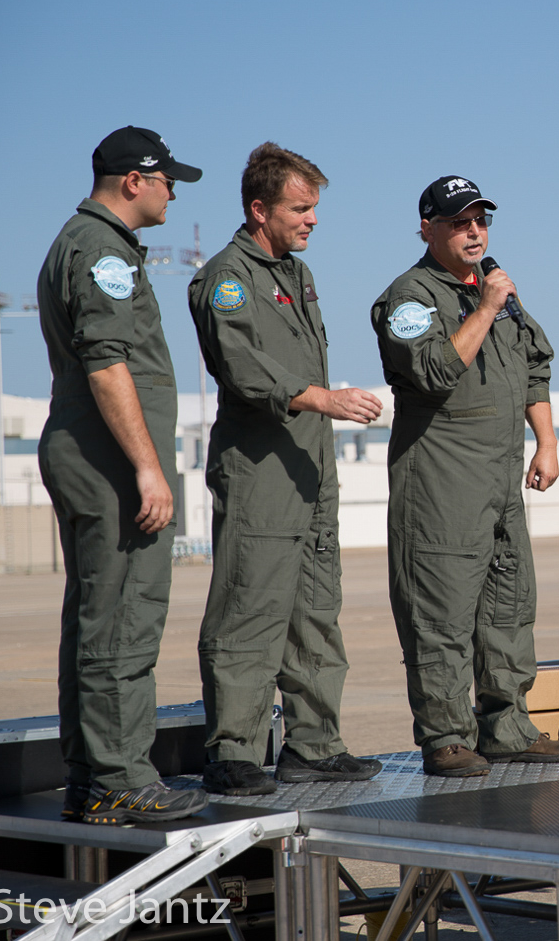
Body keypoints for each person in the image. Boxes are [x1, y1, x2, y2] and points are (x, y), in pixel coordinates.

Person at [189, 142, 384, 794]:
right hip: (261, 471)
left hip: (309, 467)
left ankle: (313, 744)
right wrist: (323, 399)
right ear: (259, 209)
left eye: (314, 207)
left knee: (315, 612)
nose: (312, 219)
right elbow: (241, 365)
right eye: (300, 208)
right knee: (250, 608)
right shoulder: (228, 278)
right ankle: (233, 751)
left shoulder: (295, 274)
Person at [370, 176, 559, 776]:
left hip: (500, 480)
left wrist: (547, 442)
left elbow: (534, 364)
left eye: (481, 220)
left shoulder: (495, 286)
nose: (474, 232)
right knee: (441, 614)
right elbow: (434, 371)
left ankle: (507, 726)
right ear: (428, 229)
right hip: (442, 483)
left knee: (508, 606)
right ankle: (446, 737)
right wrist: (485, 308)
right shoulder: (410, 298)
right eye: (460, 222)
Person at [37, 127, 209, 824]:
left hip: (91, 456)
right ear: (133, 180)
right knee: (123, 621)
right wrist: (148, 468)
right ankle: (121, 779)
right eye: (167, 181)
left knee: (96, 618)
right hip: (108, 465)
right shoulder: (102, 251)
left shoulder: (88, 244)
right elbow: (108, 365)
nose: (173, 193)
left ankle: (91, 776)